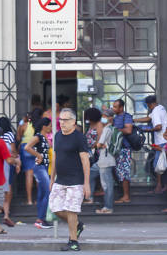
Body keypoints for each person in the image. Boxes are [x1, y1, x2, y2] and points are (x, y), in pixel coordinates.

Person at [49, 108, 91, 252]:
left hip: (76, 180)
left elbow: (85, 160)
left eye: (65, 120)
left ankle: (73, 241)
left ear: (73, 122)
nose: (62, 122)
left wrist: (86, 183)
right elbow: (55, 157)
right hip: (60, 179)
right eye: (60, 119)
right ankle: (77, 225)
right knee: (55, 208)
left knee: (71, 210)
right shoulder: (57, 136)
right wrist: (51, 178)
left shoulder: (79, 137)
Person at [135, 95, 167, 194]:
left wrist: (147, 129)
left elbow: (158, 126)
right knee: (162, 164)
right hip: (164, 141)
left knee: (158, 165)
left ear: (149, 104)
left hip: (161, 141)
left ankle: (160, 187)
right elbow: (148, 118)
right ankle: (164, 186)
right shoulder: (160, 108)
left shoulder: (156, 112)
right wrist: (135, 120)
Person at [25, 117, 53, 229]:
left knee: (42, 194)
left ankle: (40, 219)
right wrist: (38, 155)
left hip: (44, 167)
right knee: (47, 192)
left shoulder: (44, 136)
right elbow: (27, 147)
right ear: (44, 126)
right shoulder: (38, 136)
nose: (51, 127)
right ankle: (42, 219)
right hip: (39, 167)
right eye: (50, 125)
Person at [0, 116, 18, 227]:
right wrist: (17, 160)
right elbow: (13, 151)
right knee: (8, 187)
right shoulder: (10, 135)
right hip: (8, 163)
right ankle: (6, 213)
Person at [94, 108, 116, 214]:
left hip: (105, 160)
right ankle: (107, 206)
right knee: (107, 184)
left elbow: (99, 144)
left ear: (110, 118)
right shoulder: (111, 128)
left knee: (107, 185)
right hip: (108, 159)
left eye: (105, 116)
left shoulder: (107, 129)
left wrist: (98, 145)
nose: (103, 118)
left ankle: (108, 207)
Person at [112, 99, 134, 203]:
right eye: (113, 106)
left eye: (115, 107)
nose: (113, 108)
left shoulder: (127, 116)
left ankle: (126, 196)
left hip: (124, 148)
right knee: (118, 171)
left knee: (124, 172)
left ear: (121, 108)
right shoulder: (115, 117)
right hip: (117, 149)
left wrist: (115, 130)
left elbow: (128, 130)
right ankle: (124, 194)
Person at [83, 107, 103, 204]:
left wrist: (93, 146)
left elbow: (100, 140)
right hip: (89, 152)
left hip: (97, 153)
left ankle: (91, 195)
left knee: (92, 173)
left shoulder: (99, 125)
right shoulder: (90, 125)